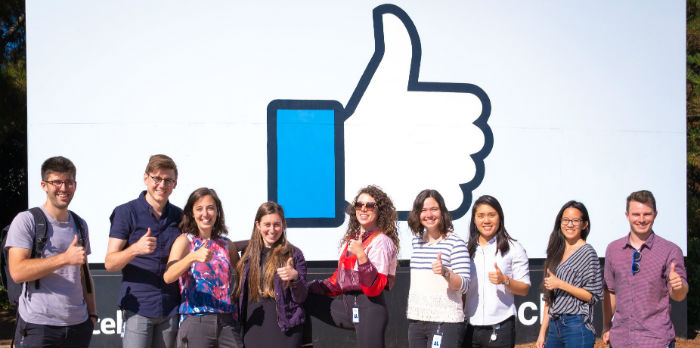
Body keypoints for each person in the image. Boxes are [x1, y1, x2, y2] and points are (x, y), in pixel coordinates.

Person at [6, 156, 97, 348]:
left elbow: (84, 274)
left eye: (69, 182)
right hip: (38, 326)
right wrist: (64, 258)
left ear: (75, 184)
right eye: (57, 182)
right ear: (44, 185)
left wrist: (92, 314)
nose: (64, 188)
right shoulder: (26, 221)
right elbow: (17, 271)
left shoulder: (80, 224)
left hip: (78, 325)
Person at [305, 185, 399, 348]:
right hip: (348, 308)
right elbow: (338, 281)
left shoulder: (382, 241)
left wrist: (361, 255)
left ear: (380, 211)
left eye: (370, 205)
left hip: (370, 309)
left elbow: (374, 288)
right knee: (302, 299)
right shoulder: (352, 239)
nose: (363, 209)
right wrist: (307, 287)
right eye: (359, 204)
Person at [105, 154, 183, 348]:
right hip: (138, 308)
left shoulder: (179, 216)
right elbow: (110, 263)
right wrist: (135, 249)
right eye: (157, 178)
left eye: (168, 180)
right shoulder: (126, 212)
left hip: (170, 308)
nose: (162, 184)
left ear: (175, 184)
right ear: (146, 178)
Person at [602, 190, 688, 348]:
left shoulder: (670, 250)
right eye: (636, 214)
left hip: (656, 341)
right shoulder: (613, 249)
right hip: (620, 340)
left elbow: (679, 294)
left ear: (655, 214)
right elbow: (611, 292)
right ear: (627, 215)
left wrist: (679, 286)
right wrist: (607, 326)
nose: (641, 220)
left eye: (647, 214)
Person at [162, 188, 242, 347]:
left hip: (227, 322)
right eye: (199, 208)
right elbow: (168, 276)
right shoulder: (185, 241)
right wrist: (192, 257)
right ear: (192, 213)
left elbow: (242, 275)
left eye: (210, 208)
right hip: (196, 321)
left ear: (217, 212)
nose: (205, 213)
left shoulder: (227, 244)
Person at [236, 202, 308, 348]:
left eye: (277, 224)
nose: (272, 230)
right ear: (258, 225)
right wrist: (249, 243)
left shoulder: (294, 254)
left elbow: (301, 297)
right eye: (267, 224)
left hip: (285, 329)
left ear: (283, 225)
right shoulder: (248, 255)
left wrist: (295, 278)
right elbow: (228, 245)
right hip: (254, 326)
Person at [406, 189, 470, 348]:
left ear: (442, 212)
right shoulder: (416, 242)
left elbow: (465, 285)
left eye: (434, 209)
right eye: (423, 210)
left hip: (446, 321)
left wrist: (445, 272)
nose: (429, 215)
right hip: (417, 321)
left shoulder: (456, 243)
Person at [464, 195, 530, 348]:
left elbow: (525, 289)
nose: (486, 220)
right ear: (474, 220)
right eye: (481, 216)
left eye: (491, 215)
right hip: (469, 328)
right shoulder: (465, 249)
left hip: (500, 329)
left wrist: (505, 280)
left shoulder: (514, 248)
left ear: (500, 218)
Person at [535, 201, 601, 348]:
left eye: (575, 220)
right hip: (554, 326)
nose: (569, 224)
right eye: (565, 220)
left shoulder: (588, 253)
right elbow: (549, 297)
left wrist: (562, 284)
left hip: (577, 325)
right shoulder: (555, 251)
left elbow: (593, 296)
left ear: (584, 225)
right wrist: (541, 333)